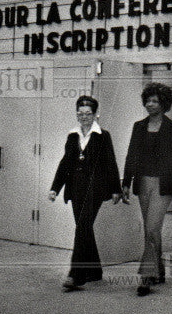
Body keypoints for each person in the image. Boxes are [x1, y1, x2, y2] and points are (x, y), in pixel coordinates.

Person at [122, 82, 172, 296]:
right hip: (143, 182)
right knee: (150, 229)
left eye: (155, 101)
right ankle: (159, 272)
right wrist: (125, 182)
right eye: (148, 100)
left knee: (152, 227)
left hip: (164, 185)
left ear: (164, 103)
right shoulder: (138, 126)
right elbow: (131, 155)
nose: (150, 104)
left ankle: (146, 277)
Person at [49, 95, 121, 291]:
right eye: (80, 113)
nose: (84, 117)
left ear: (96, 114)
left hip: (95, 188)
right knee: (85, 229)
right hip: (76, 188)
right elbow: (65, 164)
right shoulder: (72, 136)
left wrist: (116, 188)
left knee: (81, 228)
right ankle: (95, 270)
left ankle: (76, 275)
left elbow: (110, 162)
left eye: (88, 113)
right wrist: (55, 188)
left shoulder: (103, 136)